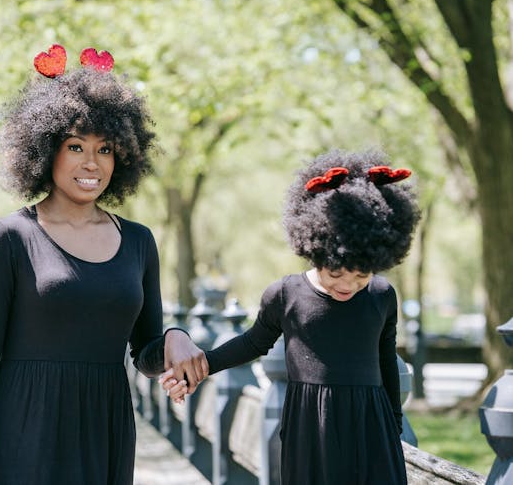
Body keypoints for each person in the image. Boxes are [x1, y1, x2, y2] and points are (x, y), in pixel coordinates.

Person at [0, 44, 208, 485]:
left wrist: (175, 338)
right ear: (45, 149)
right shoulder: (7, 239)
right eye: (75, 146)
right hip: (25, 436)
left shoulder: (139, 242)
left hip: (105, 430)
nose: (92, 163)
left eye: (105, 149)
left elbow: (145, 352)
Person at [162, 149, 421, 484]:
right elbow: (252, 343)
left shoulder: (382, 296)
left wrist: (394, 426)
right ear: (315, 248)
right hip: (310, 429)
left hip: (370, 428)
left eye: (362, 275)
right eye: (336, 272)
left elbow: (386, 360)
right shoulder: (286, 295)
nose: (348, 285)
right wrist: (198, 369)